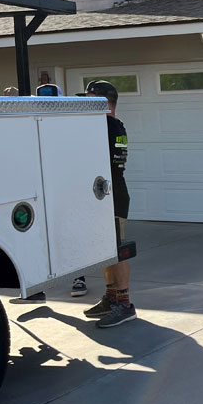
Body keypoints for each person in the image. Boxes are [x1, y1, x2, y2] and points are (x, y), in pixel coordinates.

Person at [80, 80, 136, 328]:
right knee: (104, 250)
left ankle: (124, 304)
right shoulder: (114, 125)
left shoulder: (107, 126)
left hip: (111, 194)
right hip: (105, 192)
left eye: (89, 97)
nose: (84, 101)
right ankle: (111, 297)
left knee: (116, 249)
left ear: (103, 101)